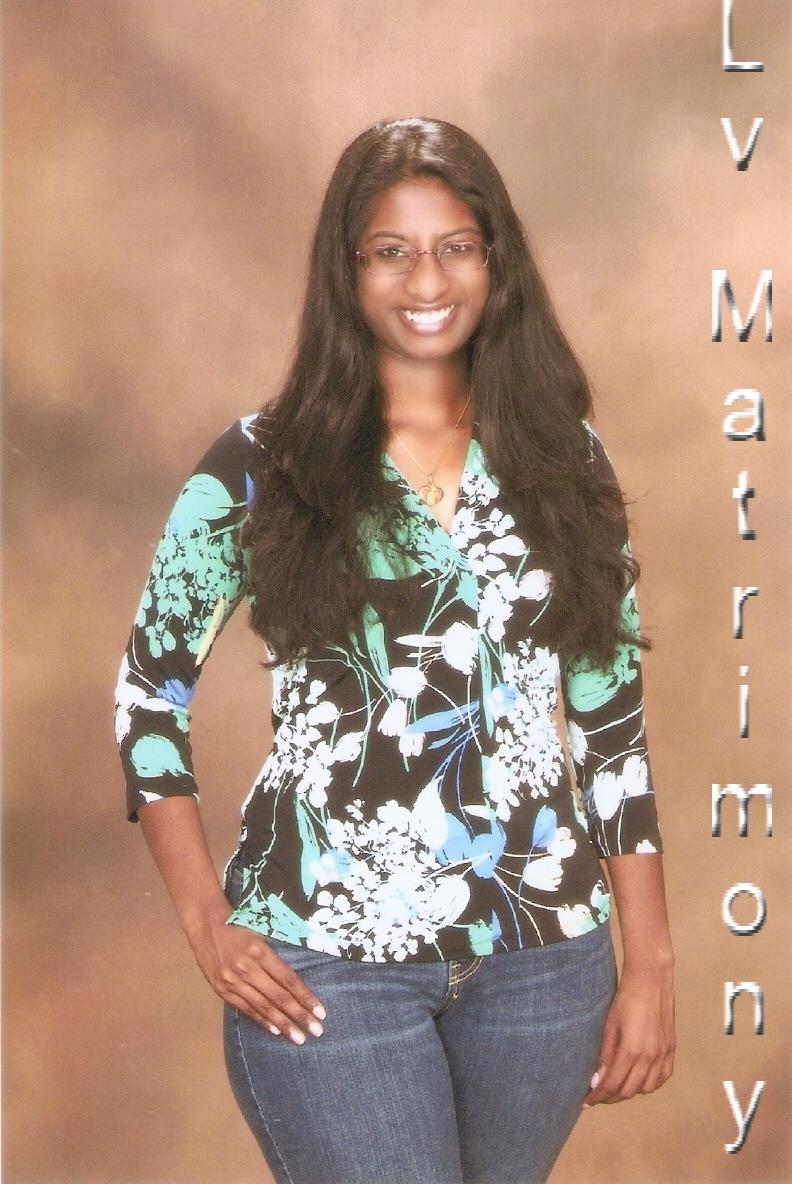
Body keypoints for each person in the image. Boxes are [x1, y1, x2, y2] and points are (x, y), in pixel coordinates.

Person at [114, 116, 675, 1184]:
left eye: (456, 245)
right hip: (328, 961)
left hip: (545, 962)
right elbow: (148, 696)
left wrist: (649, 962)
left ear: (496, 263)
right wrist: (205, 920)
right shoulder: (260, 463)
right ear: (347, 268)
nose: (427, 278)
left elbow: (612, 727)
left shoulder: (565, 456)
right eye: (391, 250)